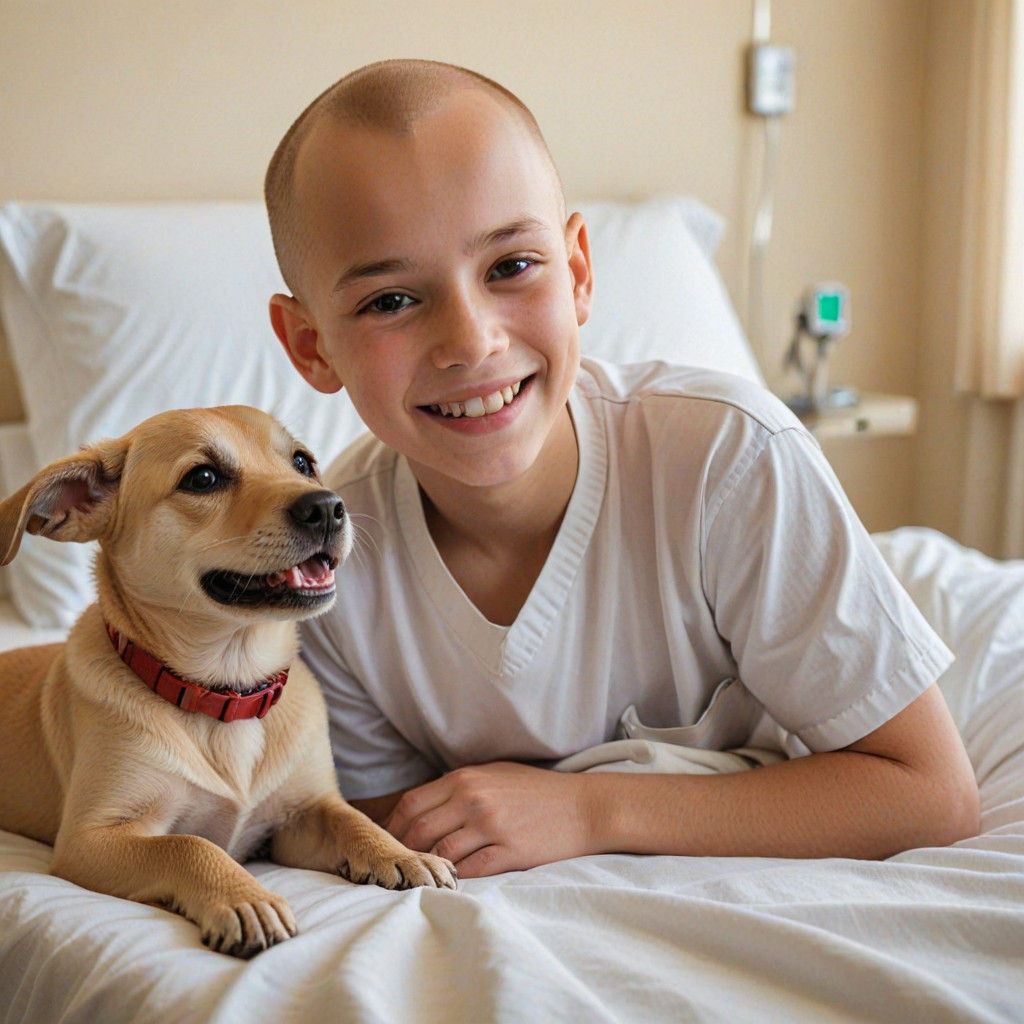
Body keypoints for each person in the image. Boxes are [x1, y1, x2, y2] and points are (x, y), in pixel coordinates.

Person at [265, 58, 979, 879]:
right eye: (391, 300)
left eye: (510, 267)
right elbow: (386, 821)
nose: (471, 342)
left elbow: (933, 794)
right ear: (311, 347)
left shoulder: (730, 459)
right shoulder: (328, 564)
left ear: (577, 273)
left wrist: (591, 809)